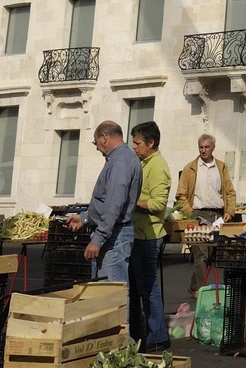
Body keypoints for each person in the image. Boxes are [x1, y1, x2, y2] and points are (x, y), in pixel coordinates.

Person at [68, 121, 141, 282]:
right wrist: (86, 217)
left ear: (104, 137)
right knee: (106, 294)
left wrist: (98, 239)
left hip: (115, 236)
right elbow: (107, 201)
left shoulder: (120, 161)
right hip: (114, 232)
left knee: (112, 297)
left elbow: (114, 203)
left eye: (96, 142)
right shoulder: (122, 158)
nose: (96, 148)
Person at [175, 133, 237, 296]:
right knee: (201, 254)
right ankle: (201, 292)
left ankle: (194, 285)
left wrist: (230, 211)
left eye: (207, 147)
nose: (203, 150)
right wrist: (190, 212)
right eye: (201, 147)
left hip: (217, 215)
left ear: (213, 148)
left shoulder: (221, 167)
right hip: (198, 213)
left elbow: (229, 191)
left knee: (211, 255)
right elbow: (181, 194)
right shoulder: (190, 168)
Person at [128, 122, 171, 353]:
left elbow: (158, 204)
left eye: (137, 143)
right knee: (136, 288)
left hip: (149, 236)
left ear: (151, 143)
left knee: (148, 288)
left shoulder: (158, 166)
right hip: (137, 234)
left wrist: (130, 203)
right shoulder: (143, 163)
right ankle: (140, 333)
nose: (134, 147)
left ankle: (158, 337)